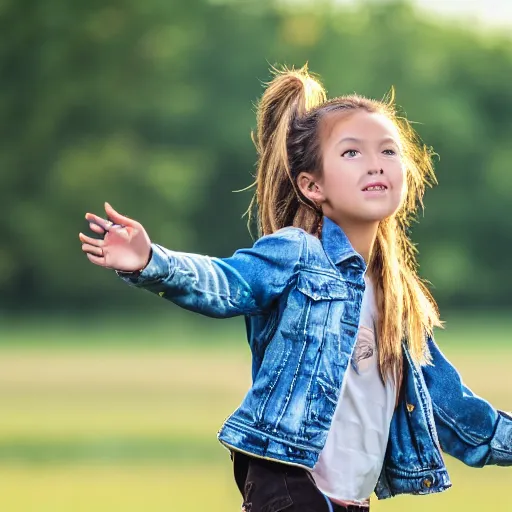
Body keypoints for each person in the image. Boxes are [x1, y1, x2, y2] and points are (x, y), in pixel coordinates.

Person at [79, 65, 511, 512]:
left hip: (350, 501)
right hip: (289, 484)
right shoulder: (299, 255)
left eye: (388, 150)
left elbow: (453, 412)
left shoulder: (397, 297)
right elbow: (227, 283)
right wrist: (152, 262)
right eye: (351, 153)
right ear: (312, 185)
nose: (376, 163)